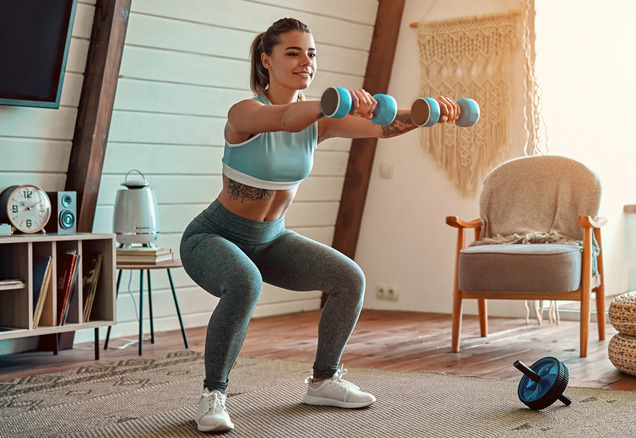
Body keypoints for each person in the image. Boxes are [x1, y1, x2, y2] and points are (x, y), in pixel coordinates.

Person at [179, 17, 460, 433]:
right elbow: (286, 119)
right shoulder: (244, 113)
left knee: (348, 278)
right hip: (213, 236)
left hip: (270, 240)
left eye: (311, 54)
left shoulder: (321, 119)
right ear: (266, 61)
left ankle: (324, 380)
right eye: (293, 53)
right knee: (245, 283)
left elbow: (383, 127)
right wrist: (334, 103)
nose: (305, 61)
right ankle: (213, 396)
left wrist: (427, 113)